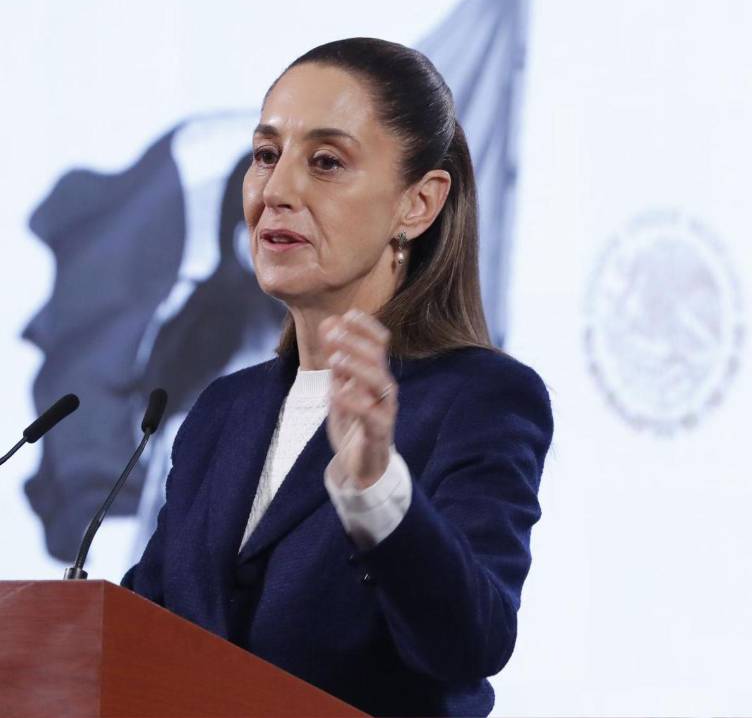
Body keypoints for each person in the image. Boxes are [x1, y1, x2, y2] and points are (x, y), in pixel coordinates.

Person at [121, 37, 553, 718]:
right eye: (266, 155)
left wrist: (375, 493)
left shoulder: (479, 399)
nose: (276, 190)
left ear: (418, 203)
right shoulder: (220, 414)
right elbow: (140, 639)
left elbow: (471, 642)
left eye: (325, 162)